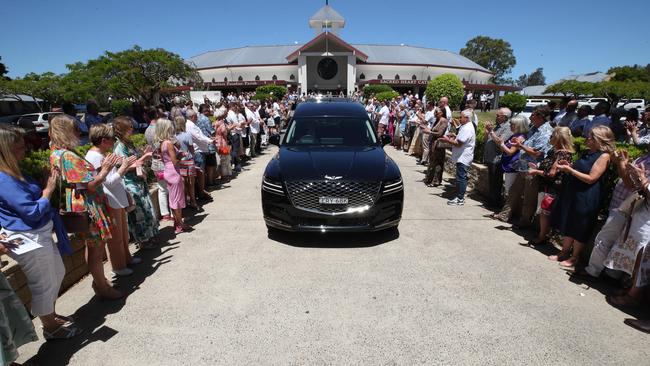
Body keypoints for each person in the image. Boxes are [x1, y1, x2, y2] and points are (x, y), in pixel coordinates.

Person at [0, 125, 79, 341]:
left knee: (57, 273)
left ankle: (50, 316)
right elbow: (32, 211)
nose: (25, 152)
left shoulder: (15, 171)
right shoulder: (3, 179)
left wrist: (44, 183)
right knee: (43, 283)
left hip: (39, 235)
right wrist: (48, 190)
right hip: (28, 239)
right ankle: (50, 326)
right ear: (6, 151)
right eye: (19, 148)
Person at [49, 115, 124, 300]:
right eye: (75, 129)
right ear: (66, 131)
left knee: (92, 248)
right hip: (89, 207)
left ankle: (99, 282)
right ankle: (102, 286)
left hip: (82, 206)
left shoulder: (56, 152)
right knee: (96, 250)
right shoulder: (67, 156)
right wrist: (105, 169)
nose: (78, 133)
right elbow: (88, 185)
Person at [549, 126, 615, 267]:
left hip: (588, 195)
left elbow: (591, 178)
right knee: (569, 220)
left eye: (591, 136)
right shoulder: (586, 153)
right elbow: (579, 170)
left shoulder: (604, 156)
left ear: (599, 140)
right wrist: (569, 166)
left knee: (580, 225)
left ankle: (575, 257)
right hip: (575, 191)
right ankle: (564, 252)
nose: (587, 138)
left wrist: (570, 170)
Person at [85, 124, 140, 277]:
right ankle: (118, 266)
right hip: (110, 200)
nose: (114, 142)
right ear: (103, 140)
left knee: (123, 235)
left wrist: (121, 165)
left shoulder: (101, 154)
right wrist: (123, 167)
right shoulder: (95, 157)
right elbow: (108, 182)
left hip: (116, 198)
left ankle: (126, 259)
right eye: (111, 139)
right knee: (116, 238)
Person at [493, 106, 553, 228]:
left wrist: (520, 146)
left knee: (529, 198)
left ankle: (524, 223)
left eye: (533, 115)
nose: (530, 117)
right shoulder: (532, 128)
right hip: (523, 166)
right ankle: (504, 215)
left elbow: (538, 153)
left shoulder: (546, 132)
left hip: (533, 168)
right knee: (514, 191)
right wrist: (519, 143)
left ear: (541, 117)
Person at [113, 116, 160, 249]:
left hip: (138, 181)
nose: (132, 129)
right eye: (130, 127)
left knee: (145, 210)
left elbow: (134, 160)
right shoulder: (119, 146)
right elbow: (122, 166)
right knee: (138, 213)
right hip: (130, 184)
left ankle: (148, 236)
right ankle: (143, 240)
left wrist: (143, 155)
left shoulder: (127, 143)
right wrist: (144, 157)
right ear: (123, 129)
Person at [525, 127, 574, 245]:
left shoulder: (562, 153)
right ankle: (544, 234)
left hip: (553, 188)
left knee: (545, 213)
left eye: (552, 135)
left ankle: (542, 236)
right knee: (544, 212)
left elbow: (552, 174)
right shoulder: (555, 151)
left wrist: (536, 172)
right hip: (547, 186)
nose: (550, 137)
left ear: (558, 137)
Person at [155, 119, 189, 234]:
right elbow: (174, 161)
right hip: (174, 172)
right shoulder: (168, 143)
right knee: (177, 200)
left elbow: (166, 158)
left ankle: (178, 223)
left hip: (167, 171)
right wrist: (181, 157)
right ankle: (180, 224)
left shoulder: (162, 143)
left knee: (173, 198)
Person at [439, 110, 476, 206]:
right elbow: (461, 139)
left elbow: (459, 144)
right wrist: (455, 136)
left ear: (467, 118)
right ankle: (459, 195)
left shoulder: (467, 128)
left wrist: (447, 140)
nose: (459, 119)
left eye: (461, 117)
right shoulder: (466, 126)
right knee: (460, 177)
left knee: (461, 178)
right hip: (462, 156)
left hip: (463, 157)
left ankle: (460, 198)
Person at [490, 115, 529, 199]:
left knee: (510, 190)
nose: (510, 126)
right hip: (508, 165)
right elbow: (504, 149)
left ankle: (508, 211)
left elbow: (510, 152)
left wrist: (502, 144)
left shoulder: (520, 137)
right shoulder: (514, 135)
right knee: (508, 190)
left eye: (512, 124)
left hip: (512, 167)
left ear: (519, 125)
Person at [144, 107, 172, 221]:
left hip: (155, 162)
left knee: (162, 188)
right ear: (156, 115)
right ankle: (172, 211)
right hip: (164, 161)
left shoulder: (147, 130)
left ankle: (165, 213)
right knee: (169, 187)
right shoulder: (160, 128)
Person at [482, 107, 513, 207]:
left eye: (498, 115)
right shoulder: (497, 126)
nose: (496, 116)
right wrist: (487, 132)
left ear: (505, 117)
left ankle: (495, 203)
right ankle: (491, 200)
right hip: (490, 158)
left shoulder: (507, 127)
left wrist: (491, 131)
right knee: (492, 181)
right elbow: (486, 140)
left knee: (496, 182)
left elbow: (500, 142)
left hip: (497, 159)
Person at [185, 110, 213, 201]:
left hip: (199, 150)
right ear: (192, 116)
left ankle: (201, 191)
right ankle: (201, 193)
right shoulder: (190, 125)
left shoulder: (192, 124)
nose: (197, 117)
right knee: (200, 173)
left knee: (200, 173)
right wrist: (210, 141)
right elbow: (198, 137)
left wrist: (209, 139)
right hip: (197, 151)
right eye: (196, 116)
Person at [174, 116, 198, 209]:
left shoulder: (174, 136)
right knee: (191, 182)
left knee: (182, 183)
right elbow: (191, 148)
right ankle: (193, 201)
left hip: (179, 161)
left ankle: (184, 201)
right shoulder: (187, 134)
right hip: (188, 159)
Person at [422, 108, 449, 187]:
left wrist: (429, 132)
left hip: (438, 144)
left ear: (441, 113)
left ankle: (435, 180)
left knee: (437, 163)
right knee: (432, 162)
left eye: (437, 112)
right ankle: (430, 179)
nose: (435, 114)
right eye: (435, 112)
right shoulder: (437, 120)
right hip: (433, 143)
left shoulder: (443, 121)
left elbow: (440, 133)